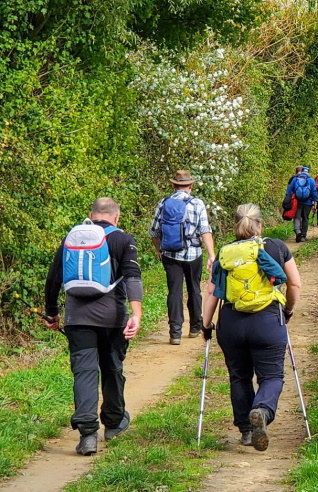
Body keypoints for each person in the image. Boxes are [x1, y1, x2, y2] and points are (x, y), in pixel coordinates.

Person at [44, 198, 143, 456]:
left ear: (91, 215)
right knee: (112, 367)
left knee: (85, 372)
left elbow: (54, 278)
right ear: (116, 217)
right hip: (113, 318)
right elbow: (133, 276)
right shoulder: (123, 239)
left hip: (77, 318)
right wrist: (136, 313)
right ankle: (113, 423)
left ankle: (88, 435)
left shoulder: (72, 238)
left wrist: (52, 313)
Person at [202, 203, 301, 451]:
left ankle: (246, 431)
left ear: (236, 225)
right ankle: (262, 411)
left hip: (231, 322)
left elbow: (213, 292)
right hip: (267, 320)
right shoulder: (277, 247)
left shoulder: (225, 253)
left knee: (239, 376)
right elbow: (294, 284)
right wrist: (288, 310)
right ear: (260, 225)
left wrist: (206, 325)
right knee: (272, 375)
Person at [149, 170, 216, 345]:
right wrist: (211, 255)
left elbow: (154, 232)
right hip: (193, 254)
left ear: (173, 185)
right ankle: (195, 327)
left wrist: (159, 250)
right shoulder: (197, 203)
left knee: (174, 291)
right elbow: (205, 230)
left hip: (171, 254)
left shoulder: (163, 203)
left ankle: (175, 333)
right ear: (191, 186)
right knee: (194, 289)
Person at [285, 166, 317, 243]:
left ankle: (298, 232)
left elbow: (289, 191)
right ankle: (303, 236)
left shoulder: (295, 179)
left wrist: (288, 200)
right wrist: (315, 202)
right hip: (308, 203)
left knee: (297, 217)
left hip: (297, 202)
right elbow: (314, 192)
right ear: (308, 172)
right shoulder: (311, 180)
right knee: (305, 218)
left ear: (302, 172)